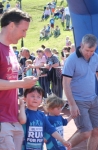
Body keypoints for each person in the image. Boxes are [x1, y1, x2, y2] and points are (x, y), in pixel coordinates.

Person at [62, 34, 98, 150]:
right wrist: (72, 104)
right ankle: (62, 148)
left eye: (92, 51)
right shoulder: (71, 60)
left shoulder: (96, 57)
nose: (89, 53)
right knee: (85, 132)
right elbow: (65, 83)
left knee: (97, 129)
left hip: (93, 99)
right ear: (81, 45)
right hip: (78, 100)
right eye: (87, 50)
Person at [0, 8, 38, 150]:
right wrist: (22, 83)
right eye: (23, 30)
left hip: (12, 118)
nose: (25, 35)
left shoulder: (10, 49)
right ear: (11, 26)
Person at [18, 85, 71, 150]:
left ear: (41, 100)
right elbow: (22, 120)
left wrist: (62, 141)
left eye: (38, 97)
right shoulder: (24, 113)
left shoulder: (42, 115)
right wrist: (22, 106)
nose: (35, 98)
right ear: (25, 98)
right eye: (32, 96)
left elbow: (51, 129)